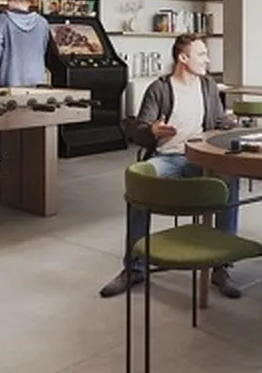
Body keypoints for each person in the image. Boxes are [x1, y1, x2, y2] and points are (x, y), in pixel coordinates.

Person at [99, 34, 242, 298]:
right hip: (167, 159)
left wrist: (232, 123)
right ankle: (134, 268)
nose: (207, 60)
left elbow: (218, 122)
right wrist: (153, 130)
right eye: (201, 55)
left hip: (200, 157)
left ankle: (221, 267)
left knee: (230, 180)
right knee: (139, 183)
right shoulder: (160, 88)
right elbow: (139, 131)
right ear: (183, 58)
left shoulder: (209, 86)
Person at [0, 0, 54, 178]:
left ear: (11, 5)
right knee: (34, 120)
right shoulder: (42, 22)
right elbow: (44, 47)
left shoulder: (4, 19)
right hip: (37, 78)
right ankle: (32, 161)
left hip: (12, 77)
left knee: (5, 120)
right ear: (26, 5)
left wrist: (3, 62)